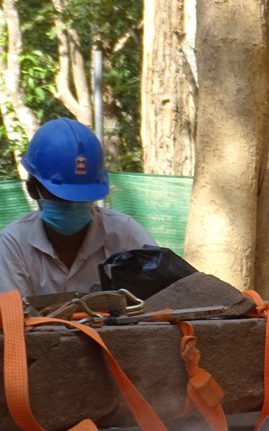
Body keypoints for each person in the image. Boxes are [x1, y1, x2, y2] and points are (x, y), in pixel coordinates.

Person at [0, 117, 157, 297]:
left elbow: (166, 295)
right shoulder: (13, 244)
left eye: (81, 197)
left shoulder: (125, 236)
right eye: (60, 196)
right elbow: (11, 316)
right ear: (33, 189)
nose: (72, 204)